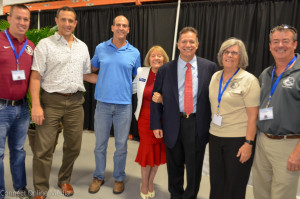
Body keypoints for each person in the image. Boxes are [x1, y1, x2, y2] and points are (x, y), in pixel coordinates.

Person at [29, 6, 93, 199]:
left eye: (70, 20)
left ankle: (64, 179)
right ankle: (40, 189)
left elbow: (86, 75)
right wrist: (37, 105)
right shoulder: (45, 45)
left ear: (75, 23)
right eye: (63, 19)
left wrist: (113, 79)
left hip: (75, 102)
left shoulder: (82, 46)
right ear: (56, 21)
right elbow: (35, 77)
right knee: (44, 149)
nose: (67, 24)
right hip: (51, 101)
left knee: (74, 146)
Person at [150, 27, 218, 199]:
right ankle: (175, 195)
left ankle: (190, 196)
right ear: (178, 44)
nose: (188, 45)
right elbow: (156, 97)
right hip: (173, 122)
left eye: (191, 42)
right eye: (184, 42)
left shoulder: (209, 68)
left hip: (196, 124)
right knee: (174, 166)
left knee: (194, 168)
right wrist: (156, 124)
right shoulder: (166, 69)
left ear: (197, 44)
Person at [88, 15, 141, 195]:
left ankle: (119, 178)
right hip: (102, 105)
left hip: (124, 106)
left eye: (124, 25)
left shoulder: (134, 52)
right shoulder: (101, 48)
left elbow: (138, 77)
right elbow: (92, 68)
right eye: (118, 25)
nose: (121, 28)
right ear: (112, 27)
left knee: (121, 146)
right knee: (100, 145)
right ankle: (98, 176)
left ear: (128, 29)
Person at [208, 38, 260, 199]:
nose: (229, 55)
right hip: (216, 137)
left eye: (234, 52)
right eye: (226, 52)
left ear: (241, 57)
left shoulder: (249, 80)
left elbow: (253, 116)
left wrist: (248, 143)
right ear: (221, 55)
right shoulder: (215, 76)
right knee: (216, 183)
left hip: (238, 140)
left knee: (234, 186)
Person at [252, 24, 300, 199]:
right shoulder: (266, 73)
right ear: (270, 46)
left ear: (294, 44)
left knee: (283, 195)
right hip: (263, 140)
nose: (280, 45)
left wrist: (298, 152)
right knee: (260, 191)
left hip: (289, 145)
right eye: (276, 41)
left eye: (285, 41)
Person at [0, 4, 34, 199]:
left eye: (26, 19)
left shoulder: (30, 46)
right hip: (1, 107)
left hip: (22, 108)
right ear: (9, 18)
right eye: (18, 18)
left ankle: (20, 188)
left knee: (19, 151)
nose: (22, 23)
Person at [133, 46, 168, 199]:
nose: (156, 58)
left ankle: (151, 181)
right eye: (153, 56)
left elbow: (175, 98)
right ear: (149, 58)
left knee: (157, 153)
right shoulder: (141, 72)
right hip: (145, 119)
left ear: (164, 59)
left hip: (163, 120)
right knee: (147, 152)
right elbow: (132, 88)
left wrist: (163, 99)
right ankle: (144, 183)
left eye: (159, 56)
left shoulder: (169, 74)